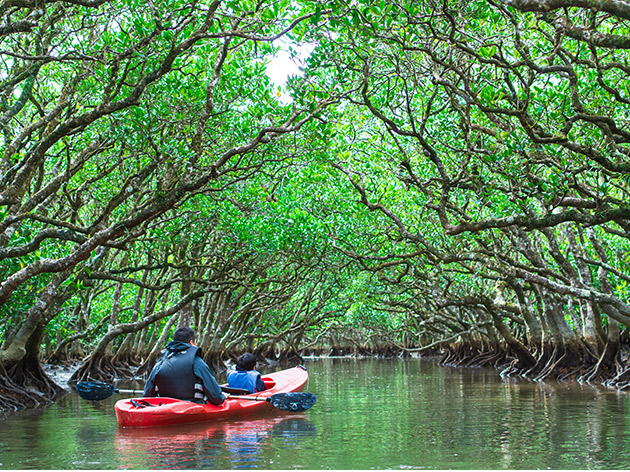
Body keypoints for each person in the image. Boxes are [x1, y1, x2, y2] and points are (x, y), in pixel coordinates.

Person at [143, 326, 226, 405]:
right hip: (191, 407)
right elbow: (216, 398)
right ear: (191, 343)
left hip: (163, 405)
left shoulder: (161, 361)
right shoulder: (197, 362)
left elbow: (147, 395)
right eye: (195, 342)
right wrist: (223, 397)